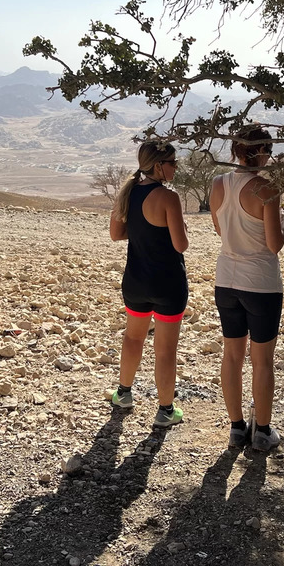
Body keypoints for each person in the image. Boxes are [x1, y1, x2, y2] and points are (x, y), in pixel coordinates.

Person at [210, 125, 284, 452]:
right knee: (263, 360)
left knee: (231, 355)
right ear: (263, 151)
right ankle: (263, 432)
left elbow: (220, 230)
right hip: (261, 283)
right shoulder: (266, 189)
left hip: (226, 279)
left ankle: (236, 427)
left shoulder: (217, 184)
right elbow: (274, 245)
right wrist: (283, 222)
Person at [109, 141, 189, 428]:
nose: (176, 167)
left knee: (133, 338)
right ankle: (166, 410)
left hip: (136, 280)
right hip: (168, 284)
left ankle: (123, 394)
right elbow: (181, 245)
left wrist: (143, 231)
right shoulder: (169, 198)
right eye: (172, 162)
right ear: (158, 166)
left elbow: (116, 234)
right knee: (165, 350)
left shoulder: (128, 192)